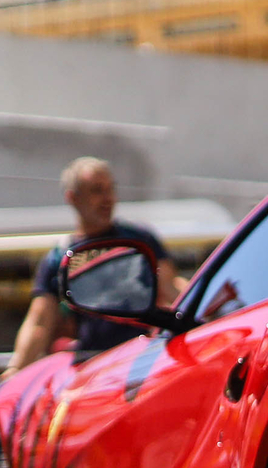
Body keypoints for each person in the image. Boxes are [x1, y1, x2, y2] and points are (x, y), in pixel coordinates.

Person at [9, 157, 177, 373]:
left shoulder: (140, 239)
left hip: (144, 358)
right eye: (97, 190)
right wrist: (15, 370)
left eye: (111, 189)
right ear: (73, 198)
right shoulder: (60, 256)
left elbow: (172, 289)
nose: (108, 199)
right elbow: (39, 322)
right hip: (95, 368)